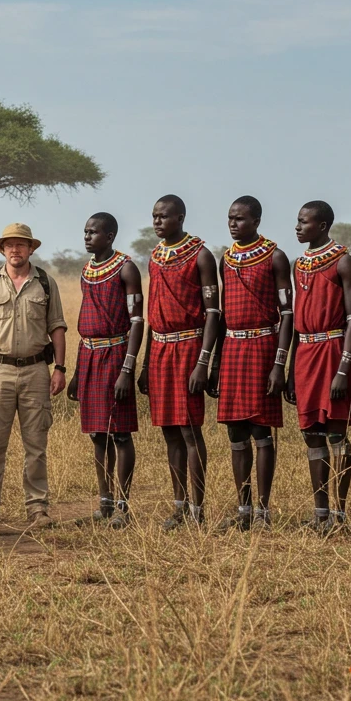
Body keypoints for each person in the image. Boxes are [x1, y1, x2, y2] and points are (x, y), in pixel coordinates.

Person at [0, 223, 67, 529]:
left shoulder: (46, 283)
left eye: (21, 245)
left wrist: (59, 368)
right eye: (9, 245)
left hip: (37, 371)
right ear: (2, 249)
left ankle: (37, 508)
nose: (15, 250)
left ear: (31, 249)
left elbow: (57, 328)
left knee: (36, 445)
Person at [210, 196, 292, 531]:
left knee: (261, 431)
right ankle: (242, 509)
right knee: (236, 430)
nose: (233, 224)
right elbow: (222, 316)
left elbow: (287, 314)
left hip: (262, 346)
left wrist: (279, 364)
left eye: (240, 219)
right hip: (232, 348)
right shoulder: (225, 261)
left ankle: (262, 510)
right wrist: (214, 363)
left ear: (256, 220)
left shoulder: (276, 257)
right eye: (230, 218)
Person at [138, 195, 220, 530]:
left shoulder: (200, 255)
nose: (157, 222)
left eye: (164, 216)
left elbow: (213, 314)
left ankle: (198, 509)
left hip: (188, 347)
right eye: (154, 216)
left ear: (181, 218)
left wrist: (204, 362)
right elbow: (150, 318)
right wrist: (144, 365)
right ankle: (179, 506)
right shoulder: (155, 257)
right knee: (169, 431)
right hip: (159, 350)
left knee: (189, 430)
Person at [67, 213, 143, 528]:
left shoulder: (126, 268)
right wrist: (75, 371)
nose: (87, 237)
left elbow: (137, 321)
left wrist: (128, 368)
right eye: (85, 231)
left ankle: (123, 505)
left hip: (115, 354)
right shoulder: (87, 270)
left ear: (109, 236)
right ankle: (105, 502)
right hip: (89, 354)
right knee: (98, 435)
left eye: (93, 232)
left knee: (121, 434)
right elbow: (86, 322)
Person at [289, 201, 351, 532]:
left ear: (322, 225)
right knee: (311, 436)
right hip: (305, 354)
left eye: (303, 222)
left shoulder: (343, 262)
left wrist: (344, 368)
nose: (298, 227)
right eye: (298, 222)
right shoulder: (299, 264)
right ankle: (320, 513)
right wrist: (289, 368)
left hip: (332, 351)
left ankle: (341, 514)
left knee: (336, 434)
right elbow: (293, 322)